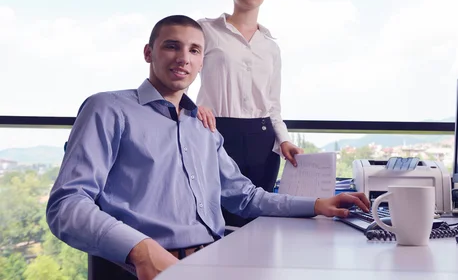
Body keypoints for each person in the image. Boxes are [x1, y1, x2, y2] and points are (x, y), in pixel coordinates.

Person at [46, 15, 369, 280]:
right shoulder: (108, 108)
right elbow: (67, 205)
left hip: (213, 263)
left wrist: (317, 204)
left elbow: (245, 197)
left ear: (203, 62)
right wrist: (141, 250)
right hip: (140, 269)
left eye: (195, 50)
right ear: (149, 52)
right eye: (172, 46)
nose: (183, 58)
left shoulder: (203, 126)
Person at [195, 0, 302, 226]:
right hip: (215, 132)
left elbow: (272, 103)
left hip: (263, 140)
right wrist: (191, 108)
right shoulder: (205, 30)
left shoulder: (270, 46)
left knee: (258, 220)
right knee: (215, 217)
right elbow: (181, 73)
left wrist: (284, 140)